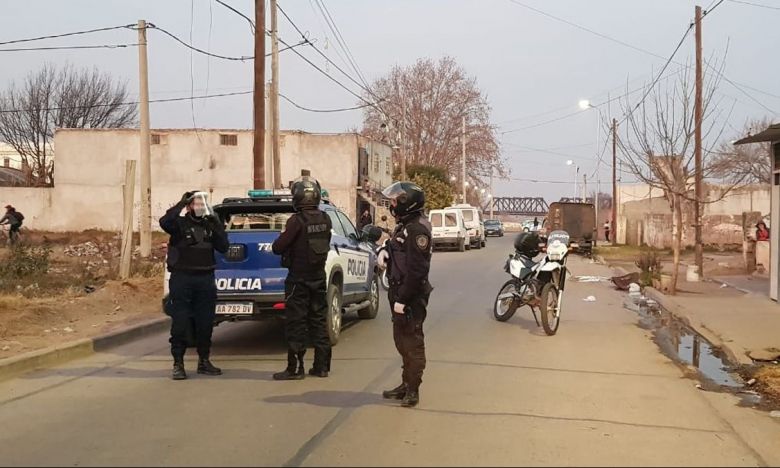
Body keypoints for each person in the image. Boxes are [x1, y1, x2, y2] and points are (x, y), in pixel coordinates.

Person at [160, 191, 229, 380]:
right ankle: (178, 364)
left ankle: (204, 361)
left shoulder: (208, 225)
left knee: (205, 323)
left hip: (205, 279)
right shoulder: (179, 224)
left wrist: (216, 223)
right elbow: (165, 221)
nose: (199, 207)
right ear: (189, 206)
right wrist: (181, 202)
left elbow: (223, 246)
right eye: (195, 204)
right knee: (181, 323)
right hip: (183, 278)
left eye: (202, 204)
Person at [271, 173, 333, 380]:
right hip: (318, 278)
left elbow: (278, 248)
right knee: (318, 320)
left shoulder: (296, 221)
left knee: (296, 323)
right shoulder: (326, 218)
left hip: (298, 280)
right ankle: (322, 366)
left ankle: (295, 369)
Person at [377, 181, 433, 408]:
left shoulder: (417, 229)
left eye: (394, 201)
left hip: (410, 295)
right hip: (398, 290)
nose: (391, 205)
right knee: (401, 341)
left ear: (406, 203)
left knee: (413, 343)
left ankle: (413, 390)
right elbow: (397, 248)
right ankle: (405, 383)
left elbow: (418, 270)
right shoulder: (405, 225)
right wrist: (384, 250)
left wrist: (403, 300)